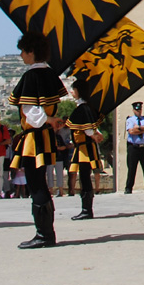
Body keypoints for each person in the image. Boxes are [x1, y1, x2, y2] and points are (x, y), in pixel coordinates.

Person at [9, 32, 67, 249]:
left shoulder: (31, 77)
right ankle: (46, 233)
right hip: (46, 136)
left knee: (36, 184)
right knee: (40, 182)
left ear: (31, 52)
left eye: (23, 51)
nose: (21, 56)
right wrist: (50, 119)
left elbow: (30, 112)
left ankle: (44, 235)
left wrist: (47, 120)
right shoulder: (50, 74)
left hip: (34, 137)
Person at [64, 85, 105, 219]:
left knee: (85, 178)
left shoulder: (83, 108)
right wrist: (96, 133)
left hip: (85, 148)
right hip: (83, 147)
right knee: (84, 177)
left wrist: (94, 135)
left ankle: (86, 209)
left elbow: (87, 128)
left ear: (78, 91)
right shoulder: (86, 107)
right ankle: (86, 208)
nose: (71, 92)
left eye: (73, 89)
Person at [124, 101, 144, 193]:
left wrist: (138, 128)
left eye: (140, 110)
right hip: (134, 147)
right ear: (133, 110)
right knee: (132, 168)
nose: (139, 112)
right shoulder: (130, 120)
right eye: (137, 110)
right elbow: (131, 131)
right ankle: (128, 188)